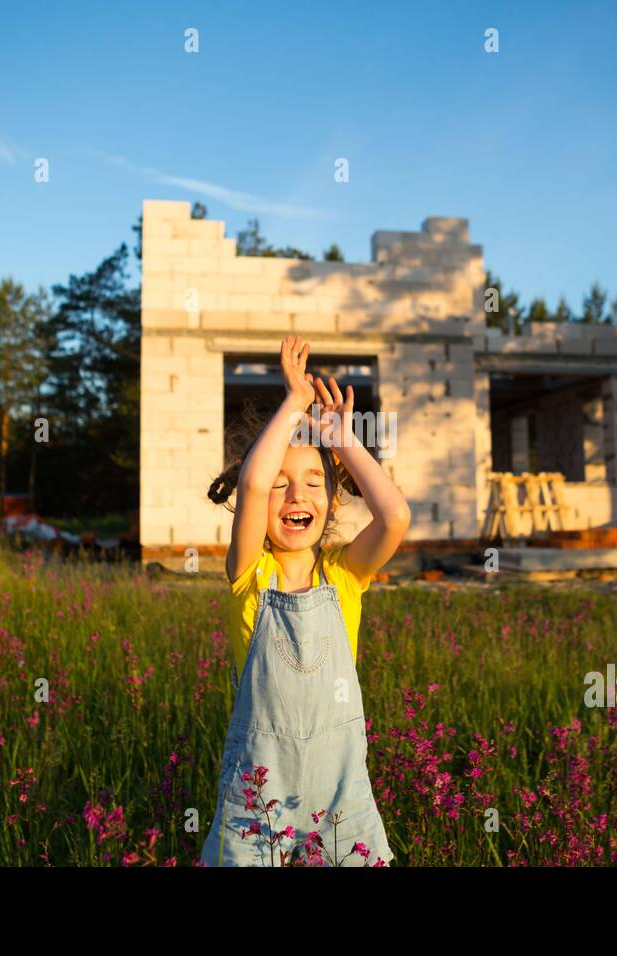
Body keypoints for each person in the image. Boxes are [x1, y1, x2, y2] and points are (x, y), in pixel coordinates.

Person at [200, 335, 410, 866]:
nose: (296, 496)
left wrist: (343, 441)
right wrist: (294, 404)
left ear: (333, 499)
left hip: (342, 794)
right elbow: (250, 484)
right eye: (281, 484)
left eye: (314, 482)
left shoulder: (345, 575)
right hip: (258, 794)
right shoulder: (251, 572)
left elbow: (395, 517)